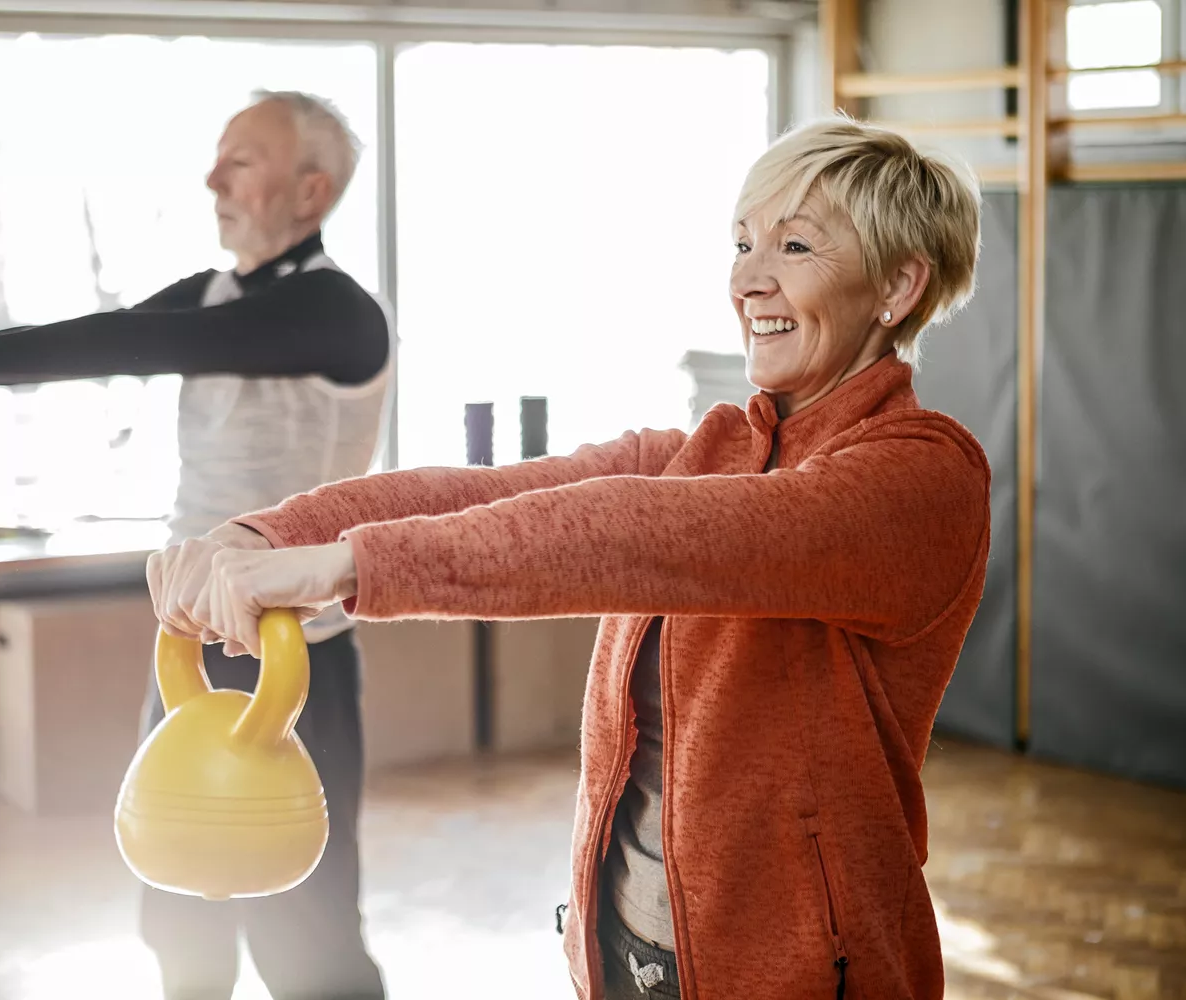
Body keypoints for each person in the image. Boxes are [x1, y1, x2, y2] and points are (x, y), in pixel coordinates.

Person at [145, 114, 990, 1000]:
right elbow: (486, 493)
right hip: (625, 951)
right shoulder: (704, 452)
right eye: (742, 243)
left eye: (796, 245)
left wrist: (348, 566)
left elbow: (643, 534)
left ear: (898, 285)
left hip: (806, 976)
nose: (748, 279)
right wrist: (268, 534)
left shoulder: (920, 477)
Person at [0, 91, 391, 1000]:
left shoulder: (337, 312)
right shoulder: (216, 294)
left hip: (298, 665)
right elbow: (109, 342)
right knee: (174, 911)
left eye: (241, 162)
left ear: (310, 191)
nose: (213, 180)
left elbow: (145, 337)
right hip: (187, 648)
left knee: (308, 935)